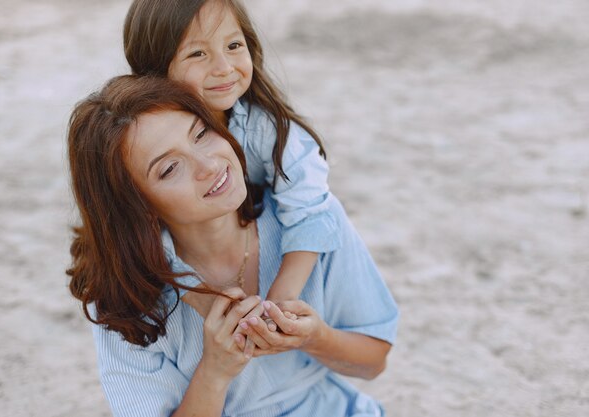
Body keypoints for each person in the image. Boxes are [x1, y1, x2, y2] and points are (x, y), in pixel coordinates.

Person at [66, 75, 399, 417]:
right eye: (169, 169)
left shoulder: (312, 221)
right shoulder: (125, 300)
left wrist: (313, 337)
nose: (209, 165)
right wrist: (215, 371)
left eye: (200, 133)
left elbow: (373, 363)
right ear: (137, 206)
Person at [123, 0, 340, 314]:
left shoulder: (268, 131)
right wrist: (199, 297)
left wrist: (282, 297)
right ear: (155, 67)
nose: (224, 67)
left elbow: (311, 209)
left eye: (234, 45)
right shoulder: (140, 138)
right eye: (198, 53)